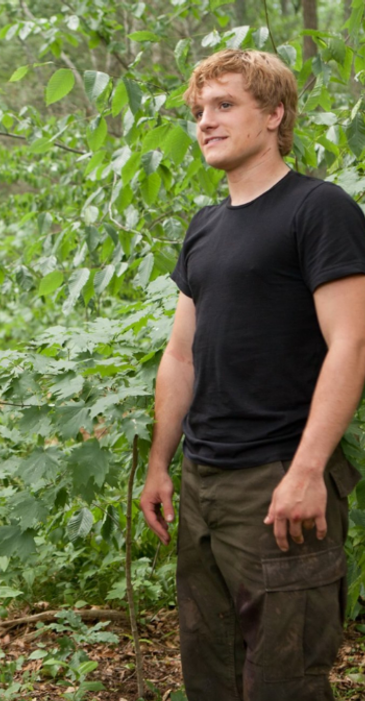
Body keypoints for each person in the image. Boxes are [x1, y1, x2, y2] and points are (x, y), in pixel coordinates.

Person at [139, 49, 365, 700]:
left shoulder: (316, 209)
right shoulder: (203, 227)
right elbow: (180, 354)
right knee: (208, 673)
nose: (204, 121)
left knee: (282, 682)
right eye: (198, 110)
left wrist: (305, 470)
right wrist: (161, 461)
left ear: (274, 114)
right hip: (201, 482)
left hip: (275, 483)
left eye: (224, 105)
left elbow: (349, 343)